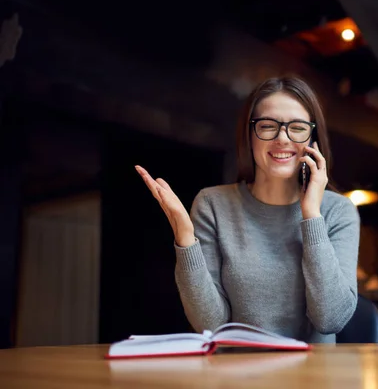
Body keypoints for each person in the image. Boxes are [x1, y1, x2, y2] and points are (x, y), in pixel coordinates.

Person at [135, 76, 360, 343]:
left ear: (313, 138)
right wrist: (185, 239)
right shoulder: (212, 205)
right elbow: (210, 326)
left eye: (297, 127)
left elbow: (331, 319)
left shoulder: (338, 211)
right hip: (237, 374)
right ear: (249, 135)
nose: (282, 138)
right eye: (267, 126)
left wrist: (311, 214)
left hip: (315, 378)